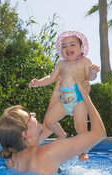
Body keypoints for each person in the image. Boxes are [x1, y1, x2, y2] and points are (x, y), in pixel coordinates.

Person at [0, 75, 106, 175]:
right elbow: (99, 133)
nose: (34, 114)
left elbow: (47, 127)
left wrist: (55, 95)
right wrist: (85, 96)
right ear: (25, 134)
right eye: (29, 117)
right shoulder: (49, 152)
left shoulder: (12, 159)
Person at [28, 31, 100, 161]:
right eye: (64, 46)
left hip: (79, 99)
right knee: (49, 121)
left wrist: (93, 72)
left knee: (80, 127)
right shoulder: (61, 64)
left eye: (72, 44)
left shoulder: (85, 61)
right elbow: (51, 78)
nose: (68, 48)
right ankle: (62, 134)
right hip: (65, 99)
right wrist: (39, 82)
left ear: (81, 48)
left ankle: (82, 151)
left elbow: (90, 78)